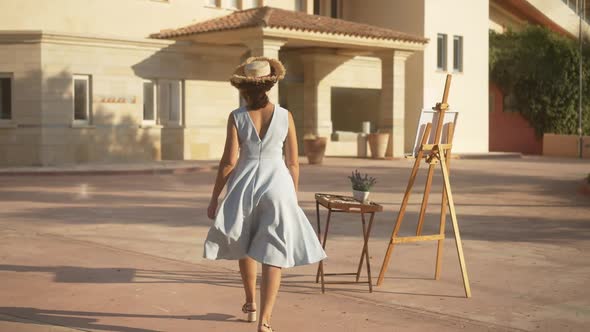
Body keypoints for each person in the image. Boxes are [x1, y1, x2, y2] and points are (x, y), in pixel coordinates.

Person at [204, 56, 326, 332]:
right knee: (274, 253)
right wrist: (291, 196)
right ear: (269, 86)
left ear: (243, 88)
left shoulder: (237, 117)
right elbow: (294, 161)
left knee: (244, 245)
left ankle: (249, 304)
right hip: (278, 184)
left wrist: (214, 198)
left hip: (244, 184)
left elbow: (228, 162)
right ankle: (265, 321)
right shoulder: (285, 116)